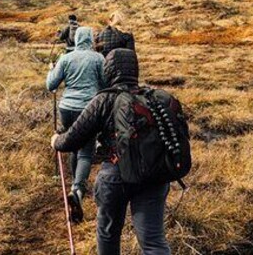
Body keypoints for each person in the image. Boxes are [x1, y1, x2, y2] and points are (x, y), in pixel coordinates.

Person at [50, 49, 171, 255]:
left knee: (108, 233)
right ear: (135, 69)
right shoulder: (154, 98)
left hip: (116, 175)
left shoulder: (104, 100)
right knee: (153, 241)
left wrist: (56, 141)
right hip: (154, 176)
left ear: (109, 71)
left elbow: (73, 139)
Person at [46, 26, 104, 222]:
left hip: (66, 108)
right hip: (88, 109)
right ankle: (77, 190)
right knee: (87, 151)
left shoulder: (65, 58)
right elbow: (105, 85)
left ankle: (74, 185)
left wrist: (52, 70)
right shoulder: (98, 59)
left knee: (73, 147)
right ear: (91, 39)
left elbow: (50, 85)